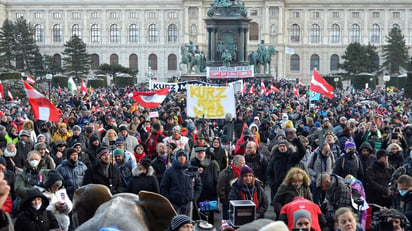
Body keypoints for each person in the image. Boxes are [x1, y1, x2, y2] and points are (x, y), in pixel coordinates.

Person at [160, 149, 202, 216]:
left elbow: (198, 185)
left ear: (186, 157)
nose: (182, 157)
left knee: (187, 223)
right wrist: (169, 199)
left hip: (188, 203)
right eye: (180, 156)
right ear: (176, 158)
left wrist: (194, 197)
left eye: (183, 156)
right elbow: (164, 187)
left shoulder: (192, 170)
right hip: (174, 204)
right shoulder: (169, 171)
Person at [267, 137, 305, 202]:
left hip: (290, 186)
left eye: (284, 146)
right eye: (280, 146)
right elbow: (269, 173)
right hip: (277, 187)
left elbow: (302, 152)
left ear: (287, 147)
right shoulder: (274, 159)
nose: (282, 148)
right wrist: (272, 184)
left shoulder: (292, 157)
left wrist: (297, 141)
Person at [190, 146, 219, 223]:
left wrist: (215, 194)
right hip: (198, 195)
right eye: (199, 153)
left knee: (209, 217)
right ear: (195, 154)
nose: (200, 155)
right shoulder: (192, 164)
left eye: (202, 153)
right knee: (197, 216)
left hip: (210, 194)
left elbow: (215, 179)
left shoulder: (211, 164)